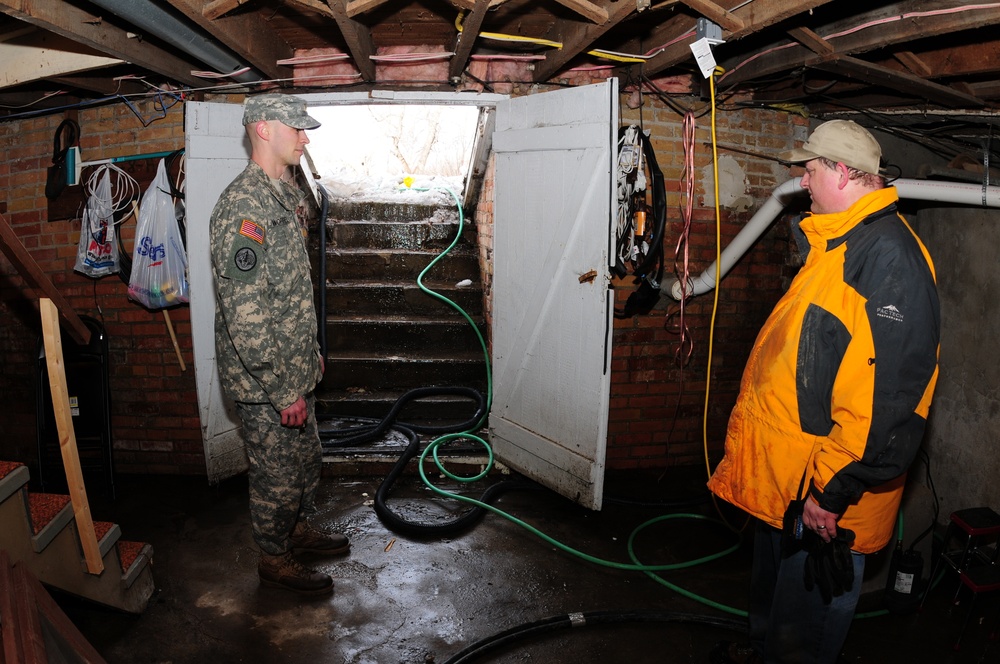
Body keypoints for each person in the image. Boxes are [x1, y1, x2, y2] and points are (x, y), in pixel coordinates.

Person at [707, 120, 940, 664]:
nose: (803, 181)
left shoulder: (889, 262)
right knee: (772, 608)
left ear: (840, 171)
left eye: (810, 170)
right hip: (792, 480)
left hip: (828, 502)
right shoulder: (837, 241)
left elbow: (888, 402)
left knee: (803, 634)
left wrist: (831, 494)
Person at [210, 93, 349, 596]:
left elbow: (289, 287)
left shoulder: (285, 192)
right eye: (297, 128)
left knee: (306, 459)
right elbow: (245, 311)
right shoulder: (241, 208)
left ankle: (298, 530)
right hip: (266, 380)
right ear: (264, 128)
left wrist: (307, 354)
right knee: (275, 475)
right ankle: (274, 557)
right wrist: (280, 386)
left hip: (294, 366)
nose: (304, 137)